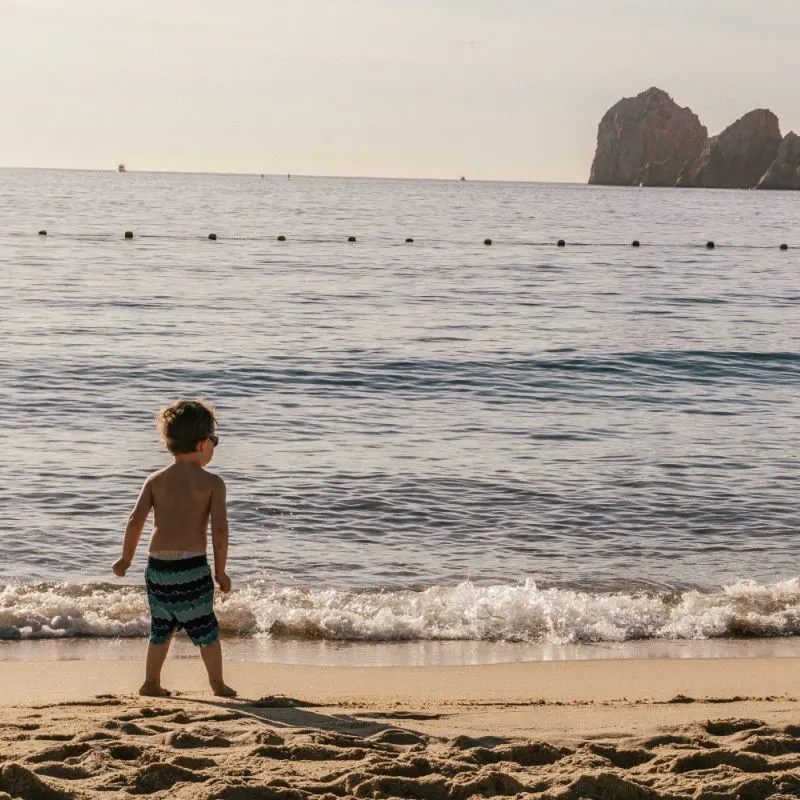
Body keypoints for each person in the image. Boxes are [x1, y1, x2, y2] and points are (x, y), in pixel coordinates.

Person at [112, 399, 236, 698]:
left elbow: (135, 520)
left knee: (161, 627)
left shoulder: (155, 480)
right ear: (204, 443)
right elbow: (219, 530)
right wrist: (220, 572)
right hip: (191, 568)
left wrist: (125, 559)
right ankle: (217, 683)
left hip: (158, 568)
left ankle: (151, 681)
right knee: (205, 627)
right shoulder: (212, 483)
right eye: (214, 441)